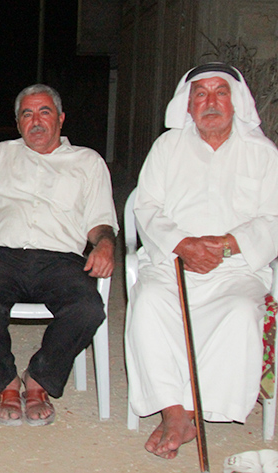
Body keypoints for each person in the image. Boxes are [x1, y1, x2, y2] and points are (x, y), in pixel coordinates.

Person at [126, 63, 278, 460]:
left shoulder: (263, 153)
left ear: (236, 101)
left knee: (241, 312)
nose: (211, 102)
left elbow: (274, 218)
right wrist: (183, 244)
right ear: (188, 104)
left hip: (236, 267)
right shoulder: (167, 148)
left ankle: (191, 412)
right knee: (149, 303)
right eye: (201, 94)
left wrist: (227, 245)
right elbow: (147, 207)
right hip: (174, 261)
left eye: (220, 92)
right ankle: (172, 411)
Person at [0, 84, 117, 428]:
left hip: (61, 260)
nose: (36, 121)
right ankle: (7, 383)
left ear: (60, 118)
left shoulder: (88, 162)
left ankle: (39, 379)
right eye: (27, 114)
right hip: (3, 257)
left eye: (44, 112)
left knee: (88, 309)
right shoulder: (1, 154)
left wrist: (105, 244)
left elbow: (101, 222)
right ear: (18, 123)